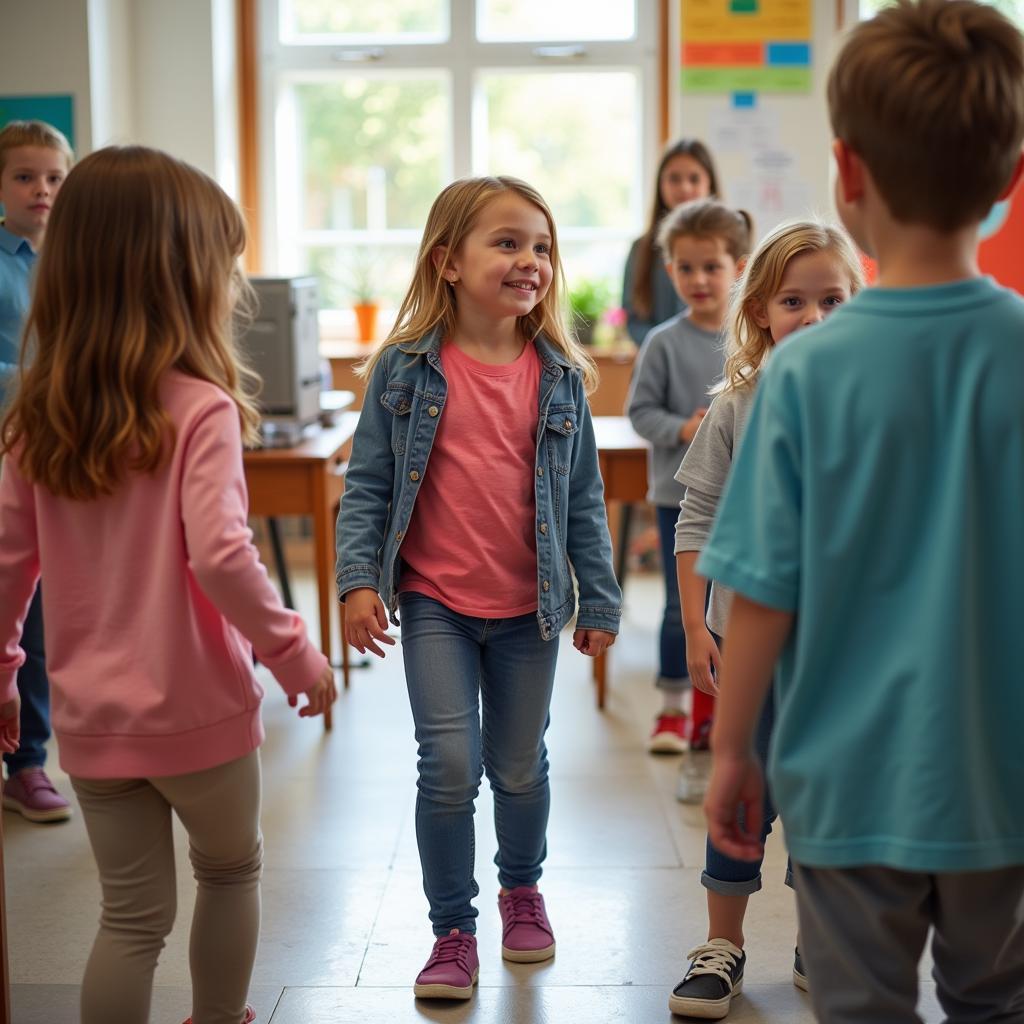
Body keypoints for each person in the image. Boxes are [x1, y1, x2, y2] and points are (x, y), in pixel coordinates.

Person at [700, 2, 1024, 1021]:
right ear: (1012, 182)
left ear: (846, 173)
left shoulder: (801, 376)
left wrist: (732, 748)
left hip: (844, 786)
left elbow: (758, 588)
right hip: (1004, 788)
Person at [0, 146, 336, 1024]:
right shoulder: (199, 407)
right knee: (230, 873)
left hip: (90, 717)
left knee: (129, 918)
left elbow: (8, 563)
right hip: (198, 713)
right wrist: (296, 654)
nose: (231, 286)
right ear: (177, 276)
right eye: (222, 266)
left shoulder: (37, 414)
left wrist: (2, 674)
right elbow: (223, 556)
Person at [336, 175, 621, 1002]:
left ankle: (521, 890)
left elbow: (585, 501)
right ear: (447, 261)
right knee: (450, 764)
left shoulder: (560, 372)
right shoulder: (405, 368)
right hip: (435, 605)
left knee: (519, 766)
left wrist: (597, 599)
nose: (529, 259)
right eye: (506, 242)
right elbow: (369, 484)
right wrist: (358, 583)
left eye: (541, 245)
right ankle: (452, 931)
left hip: (530, 608)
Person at [669, 220, 862, 1019]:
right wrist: (694, 626)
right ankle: (724, 945)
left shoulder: (873, 403)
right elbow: (696, 519)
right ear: (762, 313)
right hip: (753, 647)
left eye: (833, 299)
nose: (814, 316)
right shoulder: (738, 406)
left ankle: (819, 941)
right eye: (794, 300)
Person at [625, 199, 751, 755]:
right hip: (681, 499)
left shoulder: (752, 336)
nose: (699, 279)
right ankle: (674, 706)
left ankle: (724, 707)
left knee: (735, 606)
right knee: (684, 608)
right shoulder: (663, 342)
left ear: (739, 267)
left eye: (712, 266)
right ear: (670, 269)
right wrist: (682, 428)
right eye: (686, 267)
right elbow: (640, 412)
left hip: (745, 506)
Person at [0, 119, 73, 823]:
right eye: (25, 176)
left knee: (39, 620)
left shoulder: (74, 265)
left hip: (58, 456)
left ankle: (27, 763)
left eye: (54, 177)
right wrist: (48, 382)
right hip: (7, 448)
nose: (42, 190)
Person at [621, 139, 720, 346]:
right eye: (674, 179)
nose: (684, 187)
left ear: (709, 183)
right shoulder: (642, 249)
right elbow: (633, 319)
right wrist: (665, 347)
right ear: (660, 184)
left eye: (694, 179)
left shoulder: (730, 247)